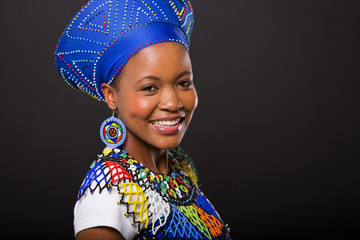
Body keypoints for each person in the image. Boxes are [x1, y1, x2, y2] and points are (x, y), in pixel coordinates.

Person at [55, 0, 231, 239]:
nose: (173, 103)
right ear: (110, 96)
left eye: (183, 83)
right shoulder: (107, 194)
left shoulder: (181, 170)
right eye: (149, 87)